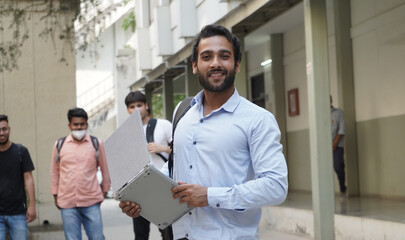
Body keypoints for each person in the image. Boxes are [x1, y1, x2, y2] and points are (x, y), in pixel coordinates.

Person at [120, 24, 288, 239]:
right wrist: (140, 197)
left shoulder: (258, 119)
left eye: (224, 56)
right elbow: (174, 170)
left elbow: (275, 187)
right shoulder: (182, 114)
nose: (215, 63)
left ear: (237, 64)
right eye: (206, 57)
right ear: (195, 66)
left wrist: (209, 196)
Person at [50, 108, 111, 240]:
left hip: (91, 201)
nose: (79, 127)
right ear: (69, 125)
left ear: (87, 125)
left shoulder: (96, 143)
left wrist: (104, 191)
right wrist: (55, 195)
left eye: (82, 124)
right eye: (75, 124)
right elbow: (55, 171)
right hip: (67, 203)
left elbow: (105, 169)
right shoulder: (59, 145)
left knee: (97, 237)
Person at [125, 91, 173, 240]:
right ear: (128, 109)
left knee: (167, 232)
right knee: (140, 234)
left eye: (139, 105)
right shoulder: (127, 132)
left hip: (162, 185)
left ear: (146, 106)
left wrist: (163, 148)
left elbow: (181, 151)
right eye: (132, 106)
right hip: (139, 189)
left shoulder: (163, 125)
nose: (136, 109)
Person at [0, 114, 36, 240]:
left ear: (9, 129)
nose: (1, 133)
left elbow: (28, 179)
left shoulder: (21, 151)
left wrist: (32, 205)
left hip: (18, 213)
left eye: (4, 129)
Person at [331, 96, 347, 195]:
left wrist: (335, 143)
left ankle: (342, 187)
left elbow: (342, 129)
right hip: (324, 147)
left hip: (337, 146)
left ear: (331, 101)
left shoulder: (338, 113)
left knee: (338, 166)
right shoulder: (320, 114)